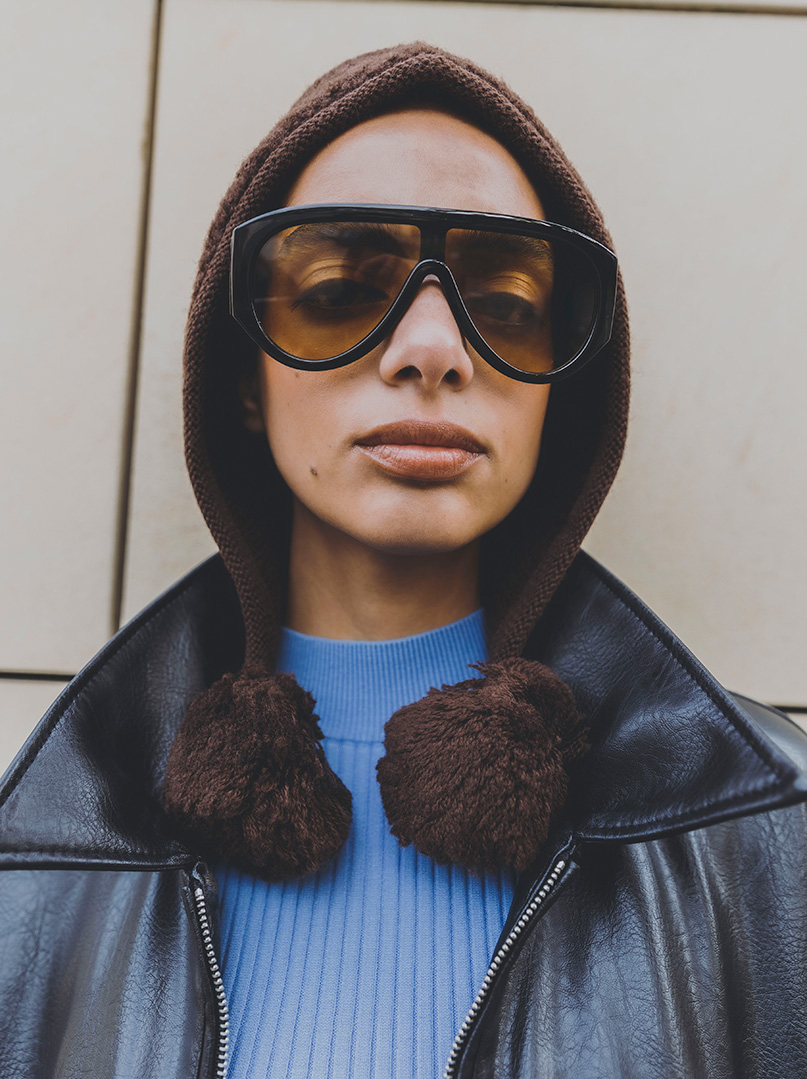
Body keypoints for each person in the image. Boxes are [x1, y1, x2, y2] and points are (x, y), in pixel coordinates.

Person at [0, 41, 805, 1079]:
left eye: (507, 302)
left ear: (564, 390)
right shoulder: (47, 847)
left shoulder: (764, 832)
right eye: (339, 286)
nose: (432, 347)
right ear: (242, 374)